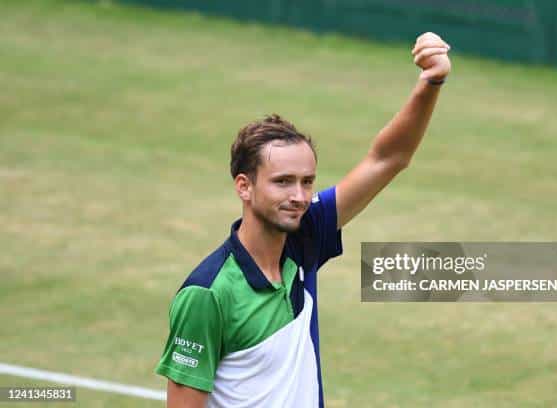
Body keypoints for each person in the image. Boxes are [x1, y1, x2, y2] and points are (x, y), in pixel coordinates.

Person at [155, 32, 451, 407]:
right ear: (244, 187)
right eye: (282, 182)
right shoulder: (208, 295)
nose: (298, 196)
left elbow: (388, 158)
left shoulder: (304, 235)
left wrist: (431, 82)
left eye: (307, 182)